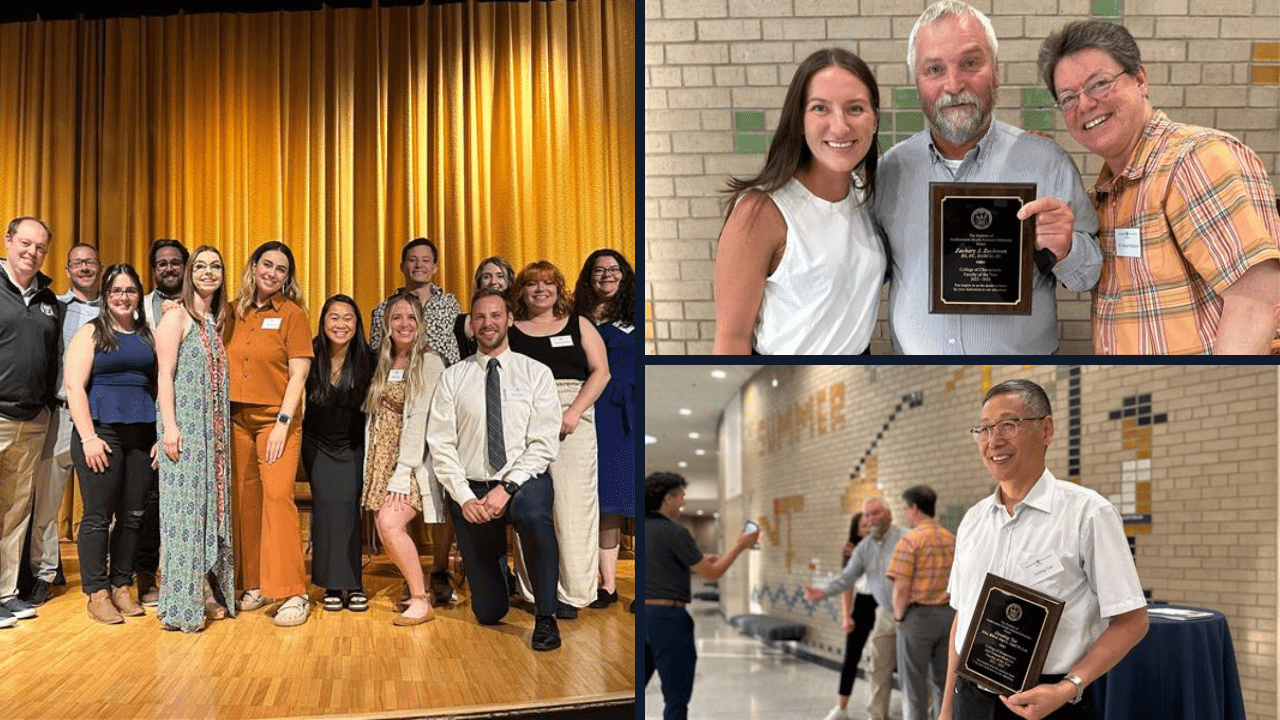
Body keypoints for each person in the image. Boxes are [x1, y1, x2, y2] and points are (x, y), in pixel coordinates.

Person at [872, 1, 1103, 354]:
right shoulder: (889, 171)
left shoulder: (1046, 163)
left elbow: (1089, 277)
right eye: (934, 69)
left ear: (996, 71)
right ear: (917, 83)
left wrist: (1068, 247)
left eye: (970, 63)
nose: (954, 84)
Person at [1037, 20, 1280, 355]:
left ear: (1140, 80)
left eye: (1100, 84)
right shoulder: (1107, 194)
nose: (1085, 104)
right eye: (1068, 97)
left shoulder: (1192, 160)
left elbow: (1257, 300)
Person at [940, 379, 1148, 720]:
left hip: (1052, 703)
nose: (994, 441)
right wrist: (947, 708)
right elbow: (962, 618)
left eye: (1008, 424)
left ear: (1046, 430)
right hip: (972, 700)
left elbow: (1133, 622)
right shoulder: (972, 521)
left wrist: (1068, 687)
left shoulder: (1088, 514)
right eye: (985, 429)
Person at [713, 48, 887, 355]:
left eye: (855, 109)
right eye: (821, 108)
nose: (840, 127)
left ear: (874, 120)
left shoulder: (866, 195)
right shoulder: (761, 212)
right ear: (800, 120)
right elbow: (731, 339)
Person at [426, 288, 563, 651]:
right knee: (488, 612)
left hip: (524, 482)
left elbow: (544, 444)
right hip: (471, 488)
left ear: (509, 319)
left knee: (534, 516)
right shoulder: (453, 378)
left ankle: (546, 616)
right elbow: (441, 444)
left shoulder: (536, 373)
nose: (488, 323)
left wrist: (507, 488)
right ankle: (498, 575)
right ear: (472, 324)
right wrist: (465, 496)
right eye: (481, 317)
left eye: (496, 315)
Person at [509, 260, 610, 617]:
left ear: (559, 289)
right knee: (529, 507)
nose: (541, 290)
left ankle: (573, 593)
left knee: (573, 508)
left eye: (548, 283)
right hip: (524, 419)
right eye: (533, 284)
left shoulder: (578, 324)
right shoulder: (511, 329)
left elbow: (601, 372)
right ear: (521, 291)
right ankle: (536, 592)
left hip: (573, 416)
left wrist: (573, 412)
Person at [225, 241, 313, 627]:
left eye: (281, 269)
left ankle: (294, 591)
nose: (272, 273)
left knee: (278, 498)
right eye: (267, 265)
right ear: (254, 266)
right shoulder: (231, 311)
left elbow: (299, 374)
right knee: (245, 501)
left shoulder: (292, 315)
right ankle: (256, 582)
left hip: (275, 421)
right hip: (234, 419)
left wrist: (282, 422)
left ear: (287, 277)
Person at [64, 264, 157, 624]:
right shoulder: (91, 332)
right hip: (101, 434)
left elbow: (160, 385)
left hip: (142, 435)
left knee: (133, 516)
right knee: (97, 517)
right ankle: (97, 592)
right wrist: (88, 437)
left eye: (130, 290)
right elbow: (74, 387)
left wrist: (160, 437)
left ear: (138, 295)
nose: (123, 297)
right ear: (106, 294)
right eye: (116, 290)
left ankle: (122, 585)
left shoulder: (148, 336)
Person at [154, 246, 236, 632]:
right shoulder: (177, 318)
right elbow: (164, 376)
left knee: (205, 514)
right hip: (185, 432)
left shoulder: (212, 322)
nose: (208, 273)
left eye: (215, 266)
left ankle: (203, 591)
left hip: (212, 436)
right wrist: (169, 427)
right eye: (200, 266)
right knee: (184, 517)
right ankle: (181, 605)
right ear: (189, 273)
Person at [644, 472, 760, 720]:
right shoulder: (675, 532)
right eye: (681, 495)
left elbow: (660, 564)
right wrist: (741, 544)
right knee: (676, 699)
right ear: (667, 499)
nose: (684, 500)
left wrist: (692, 562)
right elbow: (712, 574)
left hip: (642, 616)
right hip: (668, 620)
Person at [361, 292, 446, 625]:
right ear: (387, 324)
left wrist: (402, 470)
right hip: (382, 458)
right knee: (393, 528)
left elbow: (421, 420)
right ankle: (414, 589)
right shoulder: (382, 361)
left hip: (412, 461)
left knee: (389, 524)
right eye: (397, 317)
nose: (404, 324)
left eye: (411, 317)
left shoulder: (429, 361)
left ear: (421, 323)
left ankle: (421, 599)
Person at [23, 243, 101, 608]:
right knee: (46, 501)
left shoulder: (117, 305)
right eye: (77, 263)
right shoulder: (52, 306)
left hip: (101, 419)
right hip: (60, 414)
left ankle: (108, 574)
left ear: (99, 267)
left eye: (90, 262)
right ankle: (44, 572)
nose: (85, 268)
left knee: (103, 501)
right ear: (68, 270)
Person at [0, 216, 62, 627]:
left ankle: (5, 593)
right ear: (7, 241)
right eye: (25, 243)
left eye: (40, 248)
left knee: (14, 512)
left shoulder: (49, 300)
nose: (32, 252)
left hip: (32, 420)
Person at [302, 295, 375, 613]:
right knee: (326, 504)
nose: (341, 324)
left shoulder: (369, 359)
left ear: (357, 324)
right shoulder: (309, 353)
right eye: (334, 317)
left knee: (347, 505)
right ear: (323, 321)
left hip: (354, 444)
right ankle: (332, 584)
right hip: (316, 442)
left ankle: (354, 582)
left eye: (348, 318)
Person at [572, 249, 636, 609]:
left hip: (629, 410)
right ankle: (608, 585)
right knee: (605, 499)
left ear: (624, 275)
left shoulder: (635, 314)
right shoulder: (576, 317)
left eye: (614, 269)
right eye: (599, 270)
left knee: (638, 498)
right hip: (589, 409)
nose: (607, 275)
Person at [804, 497, 905, 720]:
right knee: (876, 668)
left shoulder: (904, 538)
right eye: (866, 516)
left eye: (875, 513)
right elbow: (847, 578)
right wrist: (822, 593)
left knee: (910, 669)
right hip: (881, 611)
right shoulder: (863, 548)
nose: (870, 520)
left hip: (910, 612)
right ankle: (870, 714)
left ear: (888, 514)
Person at [138, 238, 188, 605]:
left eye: (175, 262)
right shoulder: (139, 308)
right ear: (153, 270)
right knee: (149, 499)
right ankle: (145, 576)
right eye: (161, 264)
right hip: (147, 413)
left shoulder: (205, 304)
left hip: (193, 413)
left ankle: (194, 577)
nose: (168, 268)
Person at [886, 485, 956, 720]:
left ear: (914, 508)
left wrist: (898, 617)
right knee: (944, 685)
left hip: (918, 619)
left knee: (913, 686)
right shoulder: (952, 539)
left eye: (906, 508)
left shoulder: (910, 541)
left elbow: (901, 588)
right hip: (949, 617)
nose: (905, 513)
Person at [819, 511, 879, 720]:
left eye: (870, 525)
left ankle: (878, 708)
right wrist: (846, 615)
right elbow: (847, 586)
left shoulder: (882, 546)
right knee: (851, 657)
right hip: (862, 604)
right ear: (856, 530)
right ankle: (841, 707)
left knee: (883, 661)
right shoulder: (851, 551)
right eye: (863, 526)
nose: (868, 528)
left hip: (883, 604)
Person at [370, 237, 461, 365]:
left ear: (435, 267)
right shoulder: (384, 310)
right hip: (399, 380)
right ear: (402, 267)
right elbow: (375, 354)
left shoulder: (449, 305)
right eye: (413, 260)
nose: (419, 265)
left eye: (425, 260)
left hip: (444, 379)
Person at [454, 256, 515, 359]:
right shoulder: (461, 322)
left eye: (500, 276)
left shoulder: (521, 321)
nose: (493, 282)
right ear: (479, 282)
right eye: (487, 277)